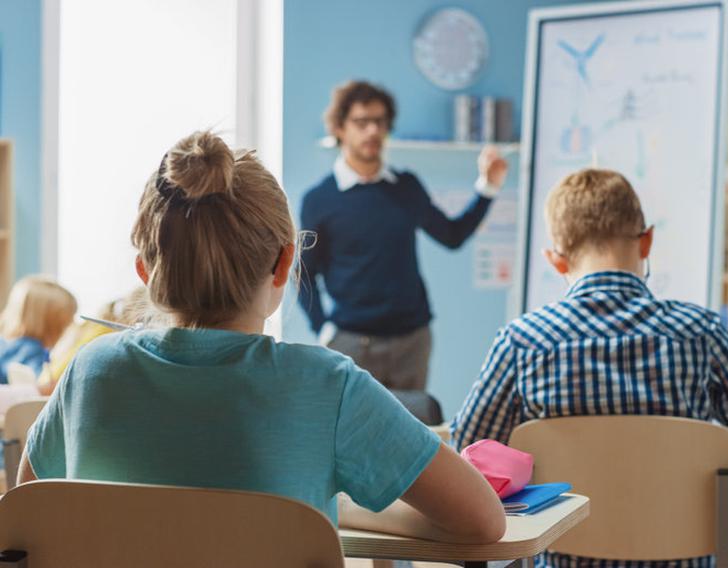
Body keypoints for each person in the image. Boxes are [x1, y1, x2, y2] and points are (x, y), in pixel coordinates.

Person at [20, 131, 505, 544]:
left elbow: (29, 512)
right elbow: (484, 520)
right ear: (284, 261)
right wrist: (334, 508)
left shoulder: (90, 371)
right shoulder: (326, 384)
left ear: (145, 271)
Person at [450, 169, 728, 566]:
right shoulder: (702, 333)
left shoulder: (522, 341)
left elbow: (469, 448)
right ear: (646, 241)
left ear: (556, 261)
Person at [299, 80, 508, 390]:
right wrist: (323, 330)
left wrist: (488, 187)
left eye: (380, 122)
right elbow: (303, 273)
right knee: (352, 437)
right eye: (361, 122)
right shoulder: (319, 199)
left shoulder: (406, 186)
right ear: (340, 128)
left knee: (411, 433)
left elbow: (452, 235)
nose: (372, 130)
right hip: (351, 344)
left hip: (413, 341)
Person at [0, 276, 77, 383]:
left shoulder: (5, 344)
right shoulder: (32, 349)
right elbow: (40, 385)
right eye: (66, 323)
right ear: (51, 324)